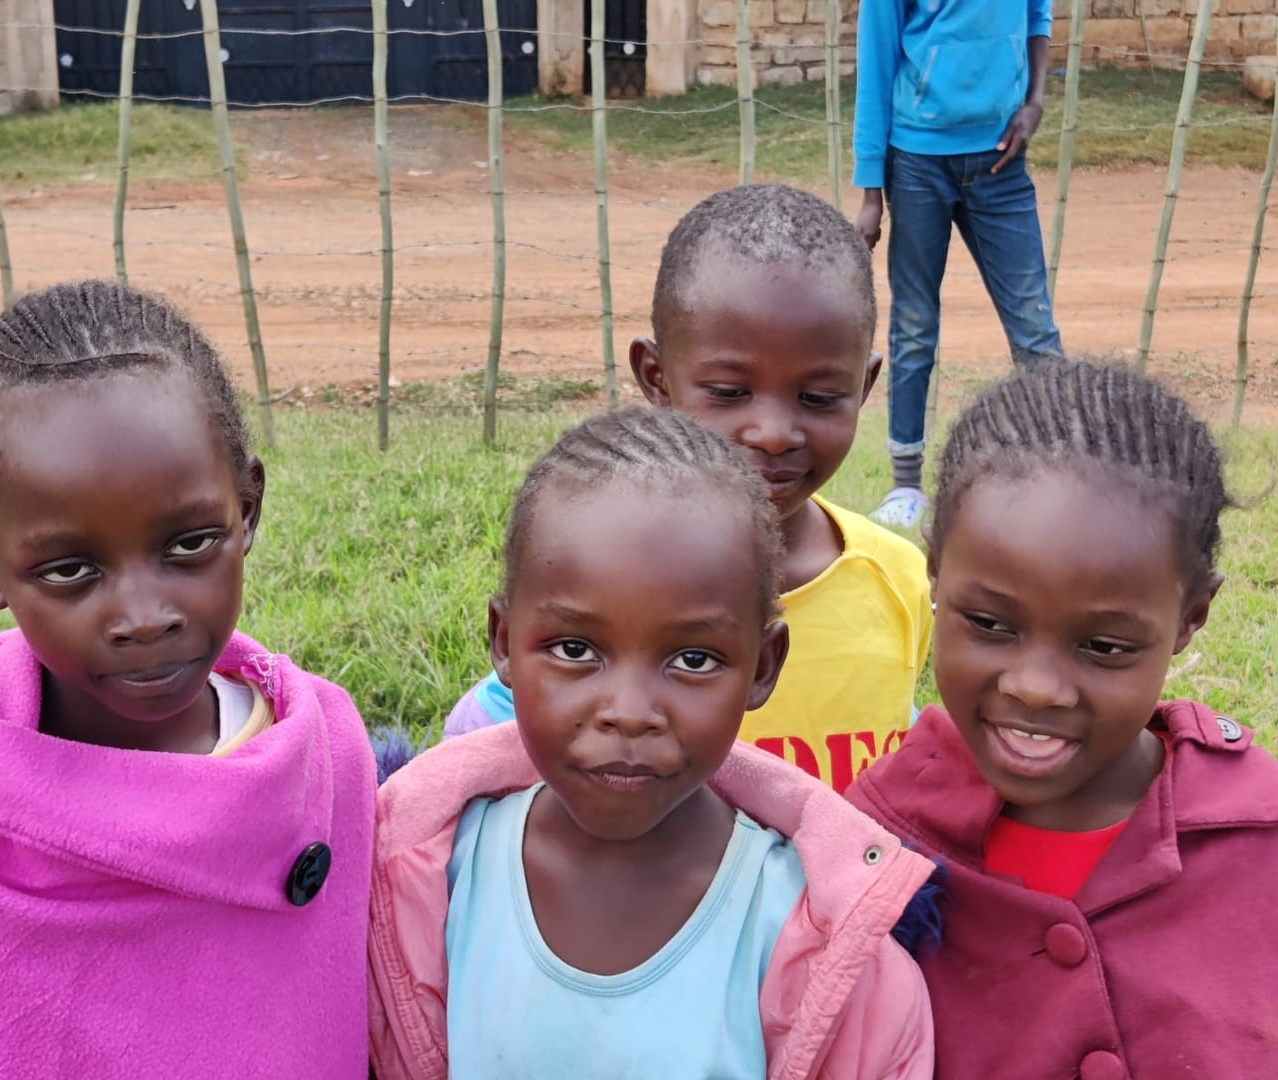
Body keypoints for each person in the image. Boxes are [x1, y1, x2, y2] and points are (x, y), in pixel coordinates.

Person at [0, 281, 375, 1078]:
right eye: (70, 569)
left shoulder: (325, 755)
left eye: (189, 544)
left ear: (248, 509)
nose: (145, 616)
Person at [371, 406, 936, 1080]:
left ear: (763, 667)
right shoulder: (414, 885)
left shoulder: (821, 943)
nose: (629, 714)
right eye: (575, 649)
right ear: (503, 642)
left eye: (693, 660)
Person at [847, 361, 1278, 1077]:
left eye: (1104, 647)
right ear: (935, 574)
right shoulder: (869, 846)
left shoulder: (1257, 836)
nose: (1038, 689)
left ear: (1191, 617)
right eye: (989, 624)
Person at [445, 185, 932, 794]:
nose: (774, 433)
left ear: (864, 387)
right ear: (656, 377)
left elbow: (892, 726)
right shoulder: (602, 564)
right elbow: (508, 721)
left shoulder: (896, 579)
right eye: (729, 392)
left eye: (818, 398)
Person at [854, 0, 1065, 529]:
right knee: (914, 325)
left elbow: (1037, 14)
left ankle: (1066, 474)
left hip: (1002, 160)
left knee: (1034, 327)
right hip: (917, 162)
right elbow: (876, 59)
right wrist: (871, 192)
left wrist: (1035, 102)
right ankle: (906, 485)